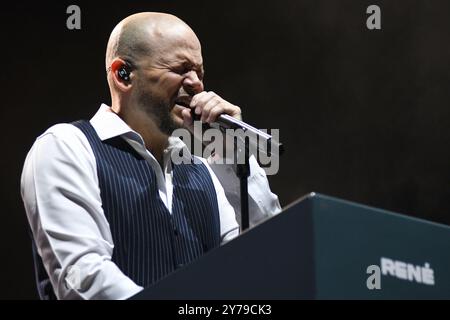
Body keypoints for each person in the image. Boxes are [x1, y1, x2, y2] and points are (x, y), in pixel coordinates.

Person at [21, 12, 281, 300]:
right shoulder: (66, 147)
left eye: (200, 72)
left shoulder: (202, 172)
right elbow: (85, 280)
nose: (196, 83)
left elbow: (263, 264)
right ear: (123, 75)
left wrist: (234, 152)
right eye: (181, 69)